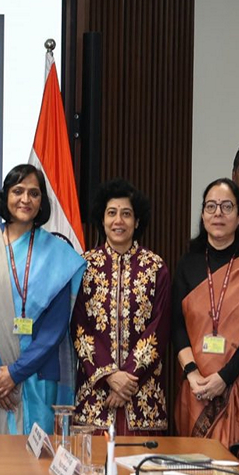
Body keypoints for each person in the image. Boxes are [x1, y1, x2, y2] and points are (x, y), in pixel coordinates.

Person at [0, 164, 85, 435]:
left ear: (42, 202)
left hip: (36, 378)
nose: (25, 199)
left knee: (35, 459)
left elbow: (55, 328)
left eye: (34, 193)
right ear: (6, 196)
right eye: (18, 191)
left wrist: (15, 373)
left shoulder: (56, 252)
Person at [171, 179, 239, 446]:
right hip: (196, 386)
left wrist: (224, 377)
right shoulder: (187, 265)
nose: (218, 213)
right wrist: (192, 373)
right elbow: (177, 325)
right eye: (211, 206)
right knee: (193, 462)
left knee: (237, 463)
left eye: (227, 206)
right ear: (203, 215)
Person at [71, 179, 170, 433]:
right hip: (95, 395)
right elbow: (79, 326)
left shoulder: (155, 266)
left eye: (126, 214)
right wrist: (109, 376)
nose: (118, 221)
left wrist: (128, 378)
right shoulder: (84, 266)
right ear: (102, 219)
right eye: (111, 213)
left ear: (136, 221)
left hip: (143, 395)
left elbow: (159, 327)